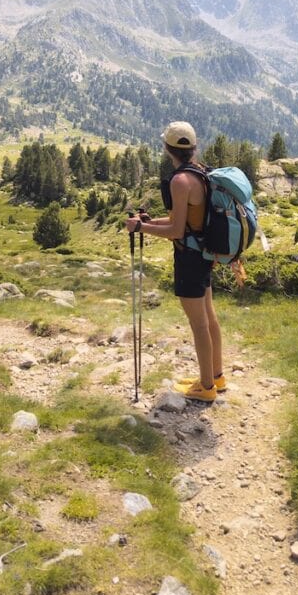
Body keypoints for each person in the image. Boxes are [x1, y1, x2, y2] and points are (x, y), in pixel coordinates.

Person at [125, 121, 224, 403]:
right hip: (203, 253)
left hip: (189, 258)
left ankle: (206, 387)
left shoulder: (180, 181)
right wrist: (147, 221)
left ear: (167, 148)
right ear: (193, 147)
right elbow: (185, 222)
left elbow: (176, 231)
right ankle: (216, 376)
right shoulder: (201, 172)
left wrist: (140, 229)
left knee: (199, 323)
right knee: (209, 316)